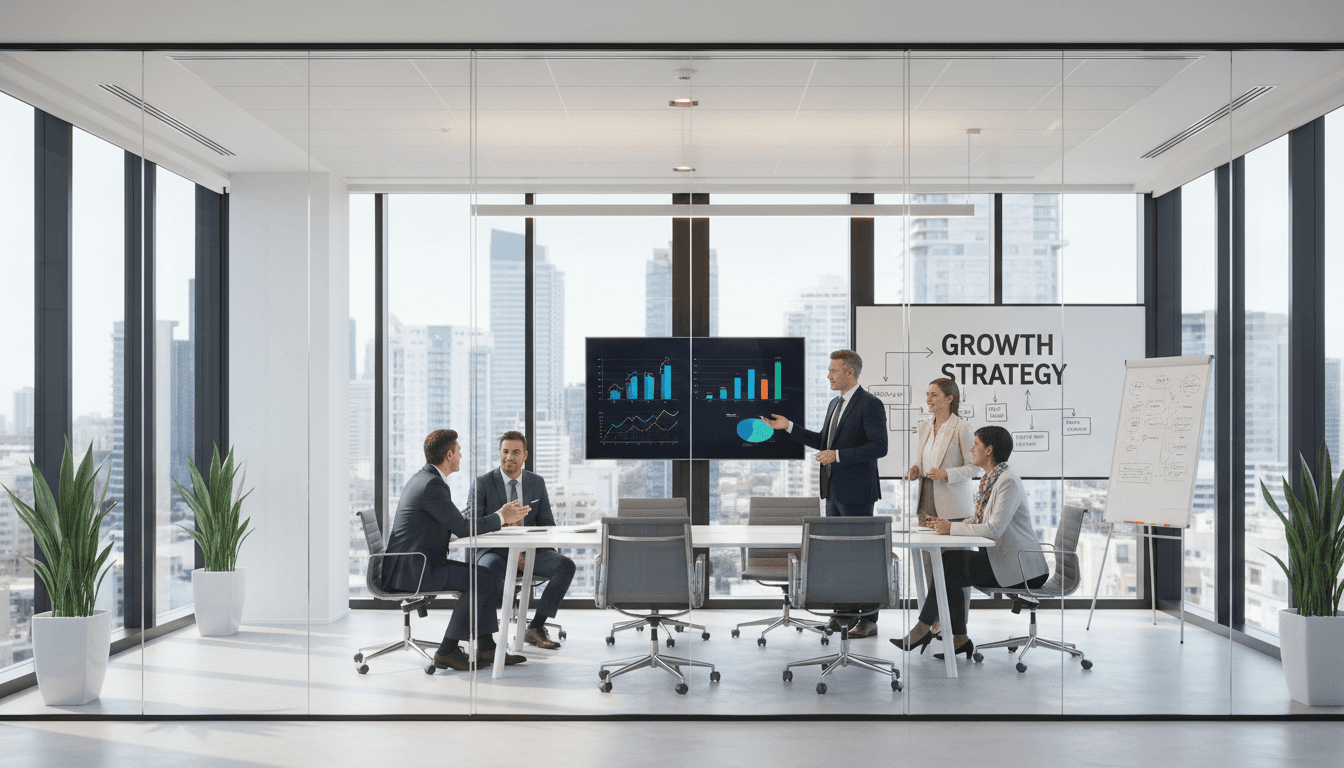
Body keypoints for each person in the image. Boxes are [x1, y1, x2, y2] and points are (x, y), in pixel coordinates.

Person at [891, 426, 1049, 661]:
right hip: (1003, 560)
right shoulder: (991, 478)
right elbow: (980, 520)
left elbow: (994, 529)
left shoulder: (1008, 482)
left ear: (989, 450)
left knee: (950, 566)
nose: (971, 449)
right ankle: (957, 639)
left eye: (976, 444)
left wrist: (952, 528)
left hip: (1022, 568)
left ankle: (925, 629)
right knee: (950, 563)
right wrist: (946, 524)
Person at [763, 348, 888, 638]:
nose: (828, 375)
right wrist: (789, 427)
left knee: (860, 557)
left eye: (833, 370)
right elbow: (823, 442)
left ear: (849, 372)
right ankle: (842, 615)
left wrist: (839, 456)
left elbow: (879, 447)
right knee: (839, 556)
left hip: (857, 493)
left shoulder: (870, 404)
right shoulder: (835, 404)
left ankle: (868, 620)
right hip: (832, 490)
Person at [383, 429, 530, 671]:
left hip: (412, 563)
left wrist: (466, 523)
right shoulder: (432, 484)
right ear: (449, 454)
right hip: (415, 570)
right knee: (481, 579)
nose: (461, 456)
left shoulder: (424, 478)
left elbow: (449, 521)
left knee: (484, 576)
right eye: (459, 452)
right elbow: (462, 528)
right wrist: (500, 517)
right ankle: (447, 650)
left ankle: (486, 647)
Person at [469, 430, 576, 650]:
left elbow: (547, 523)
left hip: (530, 551)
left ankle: (535, 627)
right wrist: (504, 528)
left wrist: (530, 552)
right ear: (499, 453)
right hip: (494, 551)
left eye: (516, 452)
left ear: (525, 455)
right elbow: (472, 523)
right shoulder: (483, 483)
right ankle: (486, 640)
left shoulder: (536, 483)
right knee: (487, 573)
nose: (509, 457)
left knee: (565, 565)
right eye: (505, 451)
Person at [907, 378, 978, 635]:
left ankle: (958, 627)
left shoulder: (962, 428)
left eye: (934, 394)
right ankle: (935, 620)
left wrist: (947, 474)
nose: (928, 399)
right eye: (927, 394)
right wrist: (916, 470)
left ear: (950, 398)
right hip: (927, 500)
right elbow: (922, 462)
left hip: (953, 507)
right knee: (930, 565)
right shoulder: (925, 427)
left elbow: (975, 466)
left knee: (956, 567)